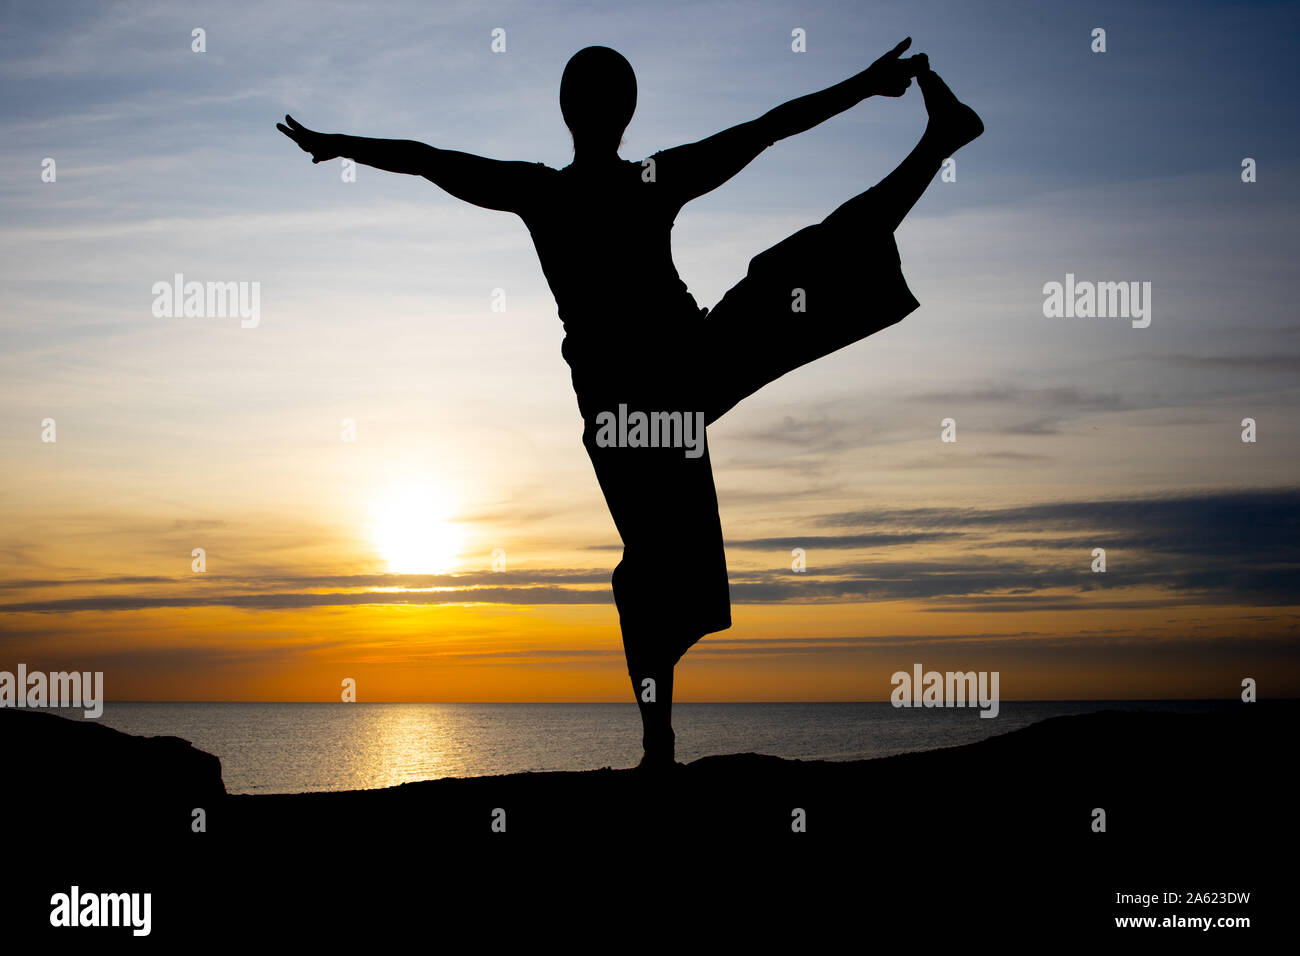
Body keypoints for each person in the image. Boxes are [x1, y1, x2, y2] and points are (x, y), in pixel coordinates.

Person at [278, 38, 983, 770]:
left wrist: (341, 145)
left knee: (649, 566)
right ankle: (938, 142)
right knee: (792, 281)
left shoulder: (546, 191)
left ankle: (658, 745)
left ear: (571, 112)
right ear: (624, 113)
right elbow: (768, 127)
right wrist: (863, 86)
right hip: (680, 378)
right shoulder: (644, 179)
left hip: (640, 399)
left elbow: (429, 158)